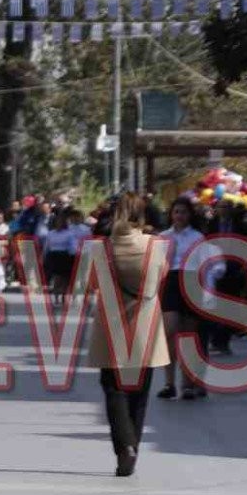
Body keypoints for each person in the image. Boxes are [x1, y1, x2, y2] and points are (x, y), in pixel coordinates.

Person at [89, 194, 169, 477]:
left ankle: (124, 446)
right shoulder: (155, 246)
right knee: (141, 387)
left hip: (111, 322)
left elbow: (92, 281)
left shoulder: (103, 247)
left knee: (113, 386)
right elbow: (161, 278)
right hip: (145, 322)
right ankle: (133, 441)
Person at [155, 196, 204, 401]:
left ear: (190, 214)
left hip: (191, 280)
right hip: (170, 282)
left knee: (188, 334)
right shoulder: (163, 237)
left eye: (183, 212)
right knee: (170, 330)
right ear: (171, 214)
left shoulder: (197, 237)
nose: (180, 215)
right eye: (176, 212)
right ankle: (169, 382)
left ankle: (187, 384)